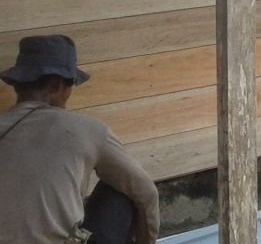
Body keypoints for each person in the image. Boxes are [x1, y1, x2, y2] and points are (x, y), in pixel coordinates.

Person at [0, 35, 160, 244]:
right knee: (123, 189)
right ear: (56, 86)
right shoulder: (88, 129)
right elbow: (147, 193)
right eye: (71, 85)